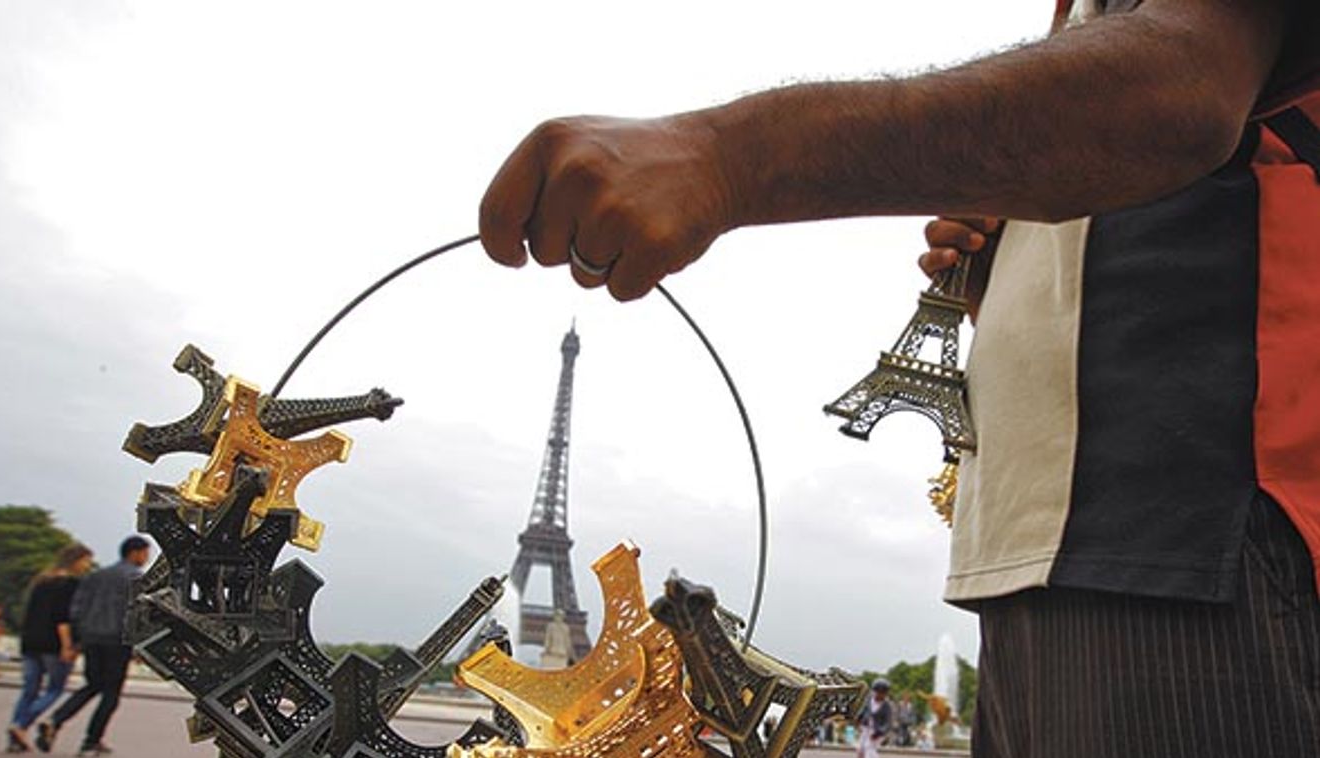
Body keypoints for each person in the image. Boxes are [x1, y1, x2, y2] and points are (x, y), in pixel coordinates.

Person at [475, 1, 1320, 756]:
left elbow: (1174, 92)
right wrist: (1019, 271)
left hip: (1188, 533)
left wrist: (726, 155)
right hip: (1042, 557)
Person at [36, 536, 149, 756]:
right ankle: (91, 740)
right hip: (117, 640)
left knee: (93, 684)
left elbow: (76, 610)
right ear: (135, 553)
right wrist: (140, 644)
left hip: (92, 638)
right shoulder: (136, 578)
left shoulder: (95, 576)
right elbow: (140, 613)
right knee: (111, 694)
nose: (146, 558)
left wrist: (79, 639)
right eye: (146, 553)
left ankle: (55, 720)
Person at [6, 543, 93, 753]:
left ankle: (15, 734)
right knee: (55, 688)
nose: (87, 566)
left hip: (30, 640)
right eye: (86, 561)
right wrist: (68, 645)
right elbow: (62, 618)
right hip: (53, 643)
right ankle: (21, 725)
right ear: (77, 560)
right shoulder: (71, 584)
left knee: (29, 690)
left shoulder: (41, 581)